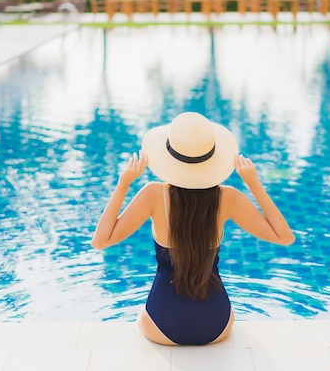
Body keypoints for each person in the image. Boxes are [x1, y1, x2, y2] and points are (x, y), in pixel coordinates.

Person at [91, 112, 295, 345]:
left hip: (162, 324)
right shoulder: (228, 198)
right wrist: (254, 183)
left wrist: (123, 183)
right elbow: (284, 237)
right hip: (215, 326)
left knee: (140, 317)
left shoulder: (153, 195)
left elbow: (100, 241)